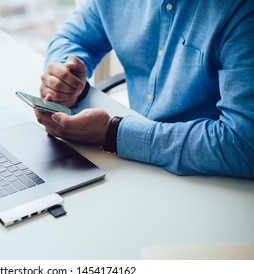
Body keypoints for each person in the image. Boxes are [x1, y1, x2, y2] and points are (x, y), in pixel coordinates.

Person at [35, 0, 254, 179]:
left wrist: (112, 134)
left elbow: (245, 144)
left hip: (212, 177)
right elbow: (71, 38)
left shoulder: (241, 9)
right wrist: (66, 79)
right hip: (131, 163)